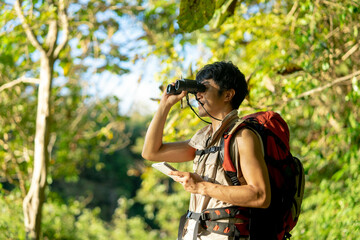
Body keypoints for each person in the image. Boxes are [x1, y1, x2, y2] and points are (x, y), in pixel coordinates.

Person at [142, 61, 272, 240]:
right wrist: (165, 104)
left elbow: (260, 195)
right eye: (197, 89)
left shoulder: (243, 136)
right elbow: (151, 152)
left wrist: (201, 186)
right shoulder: (204, 139)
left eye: (205, 88)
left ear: (228, 95)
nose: (198, 95)